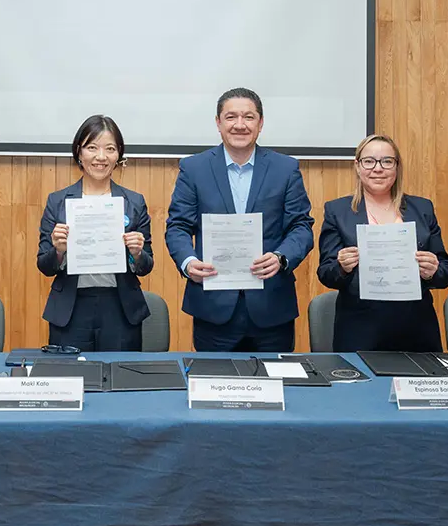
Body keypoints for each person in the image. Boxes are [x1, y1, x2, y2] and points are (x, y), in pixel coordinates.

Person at [165, 88, 314, 352]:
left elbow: (301, 227)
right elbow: (178, 226)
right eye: (231, 117)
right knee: (214, 387)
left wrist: (281, 257)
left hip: (271, 307)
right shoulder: (193, 168)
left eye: (249, 117)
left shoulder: (286, 168)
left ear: (261, 124)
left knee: (276, 388)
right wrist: (188, 263)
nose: (240, 125)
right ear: (218, 123)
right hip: (213, 308)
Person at [316, 135, 448, 352]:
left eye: (387, 161)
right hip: (359, 330)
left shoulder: (422, 208)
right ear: (357, 166)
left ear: (397, 166)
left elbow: (447, 272)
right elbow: (326, 273)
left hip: (416, 329)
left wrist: (432, 271)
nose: (378, 168)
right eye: (369, 161)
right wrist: (342, 266)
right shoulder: (338, 211)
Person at [37, 115, 153, 351]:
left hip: (121, 309)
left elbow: (146, 266)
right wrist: (58, 251)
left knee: (119, 379)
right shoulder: (58, 201)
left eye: (110, 149)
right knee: (72, 379)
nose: (101, 157)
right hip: (71, 308)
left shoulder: (134, 201)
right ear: (79, 153)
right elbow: (44, 266)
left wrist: (137, 253)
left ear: (118, 154)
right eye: (92, 148)